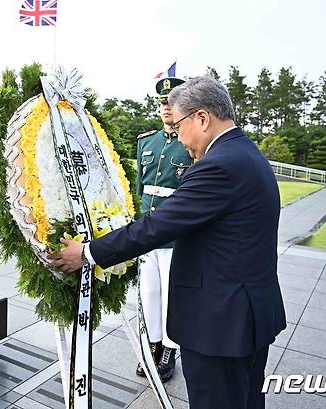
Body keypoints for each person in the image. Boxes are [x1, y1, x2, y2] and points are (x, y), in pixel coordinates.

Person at [50, 75, 286, 409]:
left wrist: (87, 252)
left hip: (219, 324)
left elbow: (157, 226)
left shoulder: (218, 166)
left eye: (178, 126)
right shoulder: (244, 153)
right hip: (244, 315)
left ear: (202, 118)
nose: (176, 136)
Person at [134, 77, 192, 382]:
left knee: (171, 294)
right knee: (149, 292)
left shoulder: (191, 143)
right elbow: (140, 188)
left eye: (171, 102)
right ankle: (153, 345)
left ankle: (170, 349)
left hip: (174, 233)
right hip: (147, 231)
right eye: (162, 103)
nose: (166, 108)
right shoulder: (147, 141)